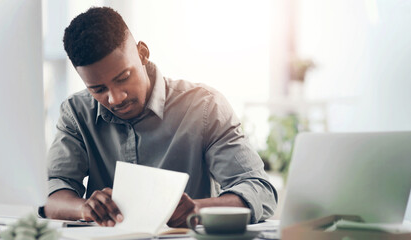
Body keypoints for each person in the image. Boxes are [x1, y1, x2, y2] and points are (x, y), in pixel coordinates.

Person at [44, 6, 277, 228]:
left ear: (142, 53)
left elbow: (259, 189)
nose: (115, 98)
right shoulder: (76, 113)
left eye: (123, 77)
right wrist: (84, 208)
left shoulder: (206, 106)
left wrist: (198, 209)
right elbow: (52, 194)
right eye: (98, 89)